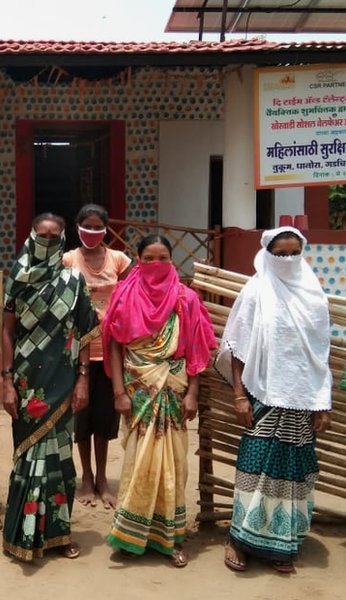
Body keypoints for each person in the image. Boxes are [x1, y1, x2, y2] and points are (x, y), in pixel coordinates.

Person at [216, 226, 333, 574]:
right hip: (262, 396)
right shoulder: (256, 291)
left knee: (295, 472)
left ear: (302, 252)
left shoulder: (314, 295)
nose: (286, 259)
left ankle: (282, 543)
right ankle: (239, 539)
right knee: (254, 469)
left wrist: (322, 402)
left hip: (302, 401)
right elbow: (237, 348)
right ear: (267, 253)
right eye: (279, 253)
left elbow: (319, 353)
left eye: (292, 252)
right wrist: (239, 395)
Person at [103, 234, 216, 567]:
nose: (156, 264)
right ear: (138, 260)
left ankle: (170, 538)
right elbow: (114, 345)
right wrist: (119, 392)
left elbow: (196, 348)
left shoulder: (186, 298)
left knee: (174, 464)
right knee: (139, 460)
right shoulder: (124, 295)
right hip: (138, 391)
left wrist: (193, 393)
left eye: (163, 257)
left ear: (172, 260)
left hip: (174, 389)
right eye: (149, 258)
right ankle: (130, 533)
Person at [1, 213, 100, 562]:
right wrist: (7, 381)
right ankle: (21, 535)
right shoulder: (18, 278)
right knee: (28, 457)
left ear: (61, 240)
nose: (47, 241)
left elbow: (86, 332)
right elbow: (7, 331)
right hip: (27, 383)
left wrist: (84, 378)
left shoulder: (74, 280)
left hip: (64, 379)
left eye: (53, 236)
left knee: (60, 459)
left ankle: (58, 535)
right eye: (41, 235)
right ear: (31, 236)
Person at [62, 204, 133, 509]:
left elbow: (134, 293)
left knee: (104, 419)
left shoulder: (120, 259)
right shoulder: (67, 259)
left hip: (110, 352)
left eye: (97, 227)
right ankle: (86, 478)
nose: (91, 232)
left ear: (106, 229)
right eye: (86, 226)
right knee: (81, 419)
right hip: (76, 351)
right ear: (77, 227)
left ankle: (103, 478)